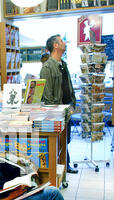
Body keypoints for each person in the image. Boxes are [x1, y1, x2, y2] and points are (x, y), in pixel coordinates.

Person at [40, 35, 78, 174]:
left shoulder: (63, 64)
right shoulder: (47, 67)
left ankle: (65, 166)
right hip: (57, 113)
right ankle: (59, 169)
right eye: (61, 41)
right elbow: (48, 95)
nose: (64, 43)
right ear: (55, 46)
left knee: (65, 140)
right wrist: (56, 114)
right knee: (57, 143)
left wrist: (73, 103)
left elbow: (68, 86)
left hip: (67, 109)